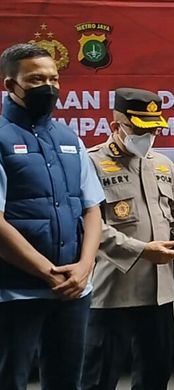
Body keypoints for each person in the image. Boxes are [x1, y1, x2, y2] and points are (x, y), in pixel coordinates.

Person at [81, 88, 174, 390]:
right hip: (112, 293)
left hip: (159, 293)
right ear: (116, 126)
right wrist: (141, 250)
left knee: (155, 374)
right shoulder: (91, 163)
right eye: (138, 130)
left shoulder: (162, 164)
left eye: (153, 130)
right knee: (98, 378)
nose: (147, 138)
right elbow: (89, 225)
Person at [0, 43, 104, 389]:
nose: (48, 87)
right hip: (14, 292)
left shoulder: (69, 138)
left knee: (65, 381)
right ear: (9, 85)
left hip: (72, 292)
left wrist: (84, 267)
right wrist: (48, 273)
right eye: (35, 79)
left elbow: (92, 208)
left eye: (54, 78)